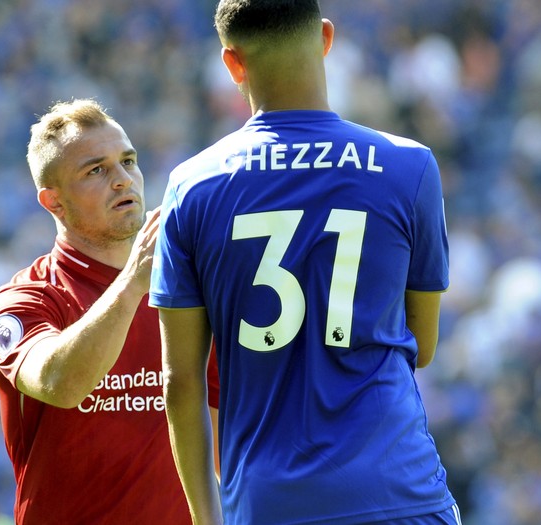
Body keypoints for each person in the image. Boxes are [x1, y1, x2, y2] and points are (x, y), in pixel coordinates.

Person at [149, 1, 460, 524]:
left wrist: (208, 518)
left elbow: (181, 382)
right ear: (326, 38)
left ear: (232, 64)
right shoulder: (409, 166)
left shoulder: (192, 185)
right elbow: (421, 345)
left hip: (269, 503)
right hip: (397, 491)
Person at [0, 98, 218, 524]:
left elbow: (218, 434)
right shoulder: (24, 301)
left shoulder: (189, 291)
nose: (123, 180)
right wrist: (132, 282)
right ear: (53, 202)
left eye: (128, 161)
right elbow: (60, 383)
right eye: (96, 170)